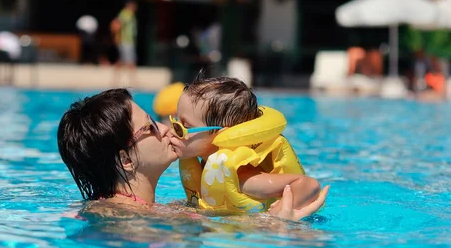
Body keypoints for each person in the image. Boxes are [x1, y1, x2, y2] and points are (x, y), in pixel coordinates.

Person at [57, 88, 329, 221]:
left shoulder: (153, 211)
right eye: (150, 127)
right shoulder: (129, 220)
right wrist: (275, 225)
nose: (165, 129)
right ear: (126, 160)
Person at [175, 75, 323, 214]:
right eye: (174, 121)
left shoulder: (243, 177)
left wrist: (275, 218)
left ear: (221, 135)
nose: (172, 130)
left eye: (183, 127)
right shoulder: (206, 163)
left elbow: (308, 185)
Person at [112, 1, 138, 86]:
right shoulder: (125, 14)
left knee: (122, 61)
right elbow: (116, 25)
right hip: (125, 41)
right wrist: (116, 36)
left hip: (128, 41)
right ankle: (134, 81)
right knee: (130, 61)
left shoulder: (129, 14)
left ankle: (115, 80)